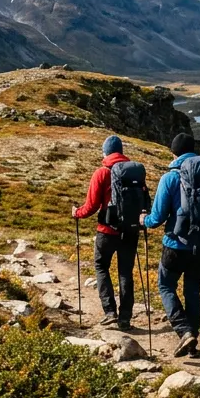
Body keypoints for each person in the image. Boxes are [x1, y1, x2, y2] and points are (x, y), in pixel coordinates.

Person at [143, 132, 200, 357]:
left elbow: (156, 218)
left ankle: (184, 332)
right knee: (192, 291)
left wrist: (143, 220)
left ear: (173, 152)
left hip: (175, 245)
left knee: (165, 286)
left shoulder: (170, 177)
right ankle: (193, 342)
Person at [72, 135, 144, 330]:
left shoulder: (102, 173)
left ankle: (110, 311)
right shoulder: (135, 173)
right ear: (121, 152)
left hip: (107, 231)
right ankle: (125, 318)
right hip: (130, 231)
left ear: (105, 152)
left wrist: (76, 213)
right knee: (125, 273)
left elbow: (91, 206)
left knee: (101, 266)